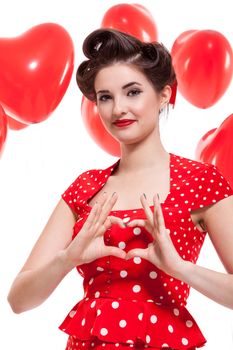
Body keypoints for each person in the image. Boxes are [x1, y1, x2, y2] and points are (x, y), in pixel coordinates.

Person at [7, 28, 233, 350]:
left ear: (164, 95)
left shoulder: (200, 181)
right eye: (105, 97)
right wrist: (68, 258)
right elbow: (19, 299)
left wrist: (180, 268)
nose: (118, 109)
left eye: (133, 92)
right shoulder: (85, 187)